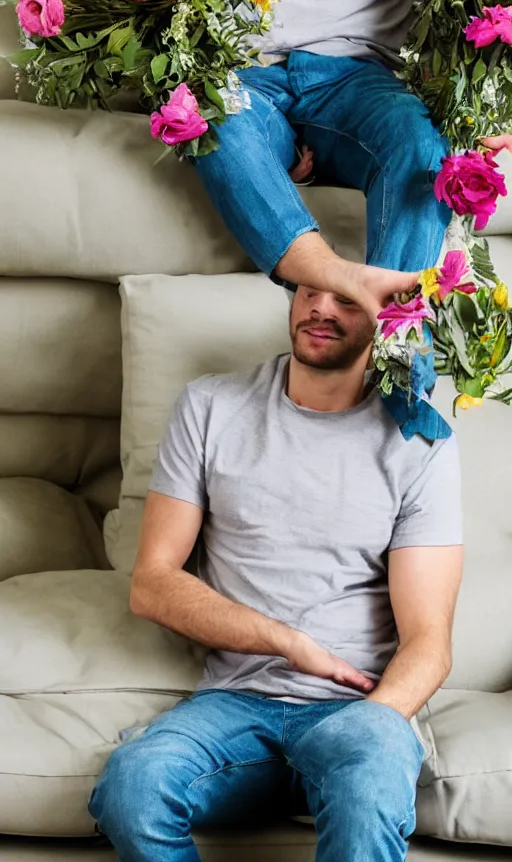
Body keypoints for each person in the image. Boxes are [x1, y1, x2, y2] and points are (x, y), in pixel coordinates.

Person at [89, 285, 464, 861]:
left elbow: (429, 641)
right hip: (234, 702)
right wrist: (287, 643)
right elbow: (152, 583)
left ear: (386, 317)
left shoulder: (420, 442)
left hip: (358, 707)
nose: (321, 309)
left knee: (367, 787)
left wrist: (375, 722)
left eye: (347, 299)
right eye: (309, 290)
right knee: (133, 787)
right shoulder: (211, 405)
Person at [129, 0, 474, 320]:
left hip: (364, 77)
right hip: (241, 71)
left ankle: (396, 355)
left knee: (419, 147)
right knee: (208, 115)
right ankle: (336, 282)